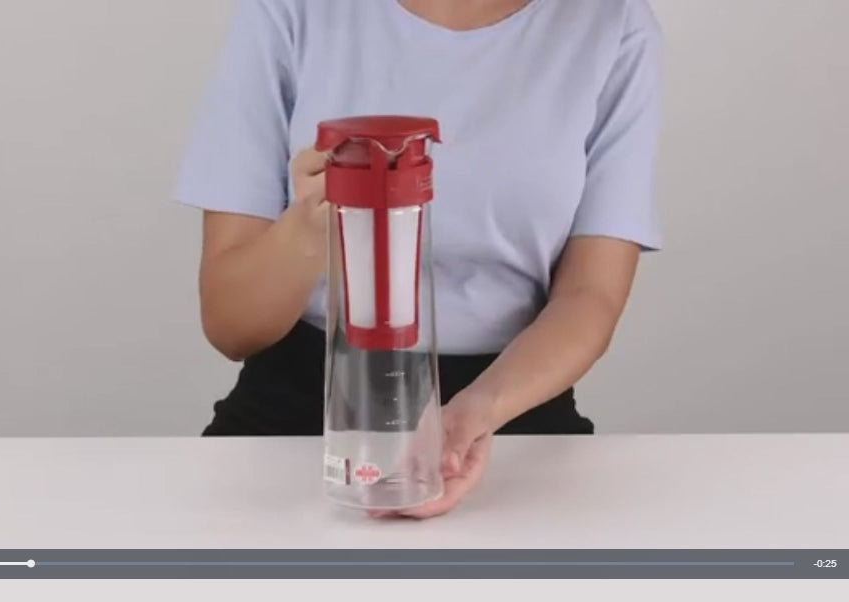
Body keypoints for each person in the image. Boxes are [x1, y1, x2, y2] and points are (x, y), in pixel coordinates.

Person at [175, 0, 663, 518]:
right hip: (298, 417)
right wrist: (316, 222)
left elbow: (590, 296)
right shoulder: (291, 11)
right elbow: (230, 325)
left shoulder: (611, 23)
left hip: (512, 414)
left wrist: (477, 413)